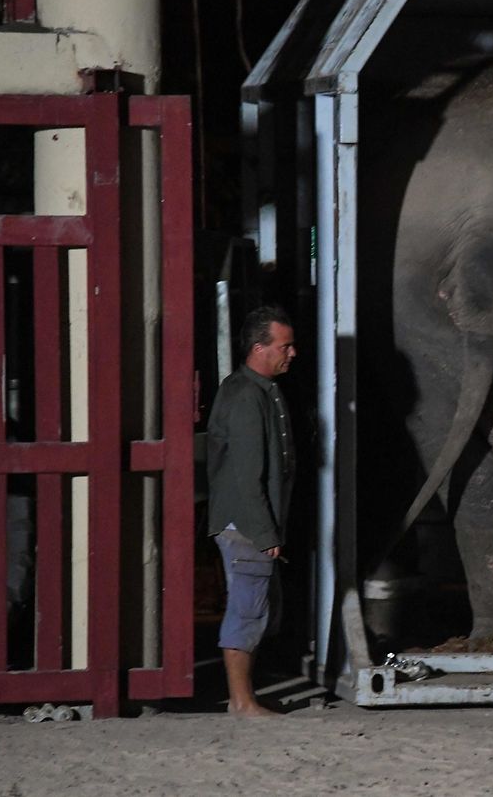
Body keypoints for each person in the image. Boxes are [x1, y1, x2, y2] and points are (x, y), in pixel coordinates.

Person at [207, 305, 298, 716]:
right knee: (247, 610)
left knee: (254, 607)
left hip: (246, 522)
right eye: (285, 346)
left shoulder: (260, 391)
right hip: (245, 524)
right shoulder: (247, 398)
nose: (291, 353)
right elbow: (248, 477)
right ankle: (242, 702)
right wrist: (265, 533)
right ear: (259, 348)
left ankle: (244, 698)